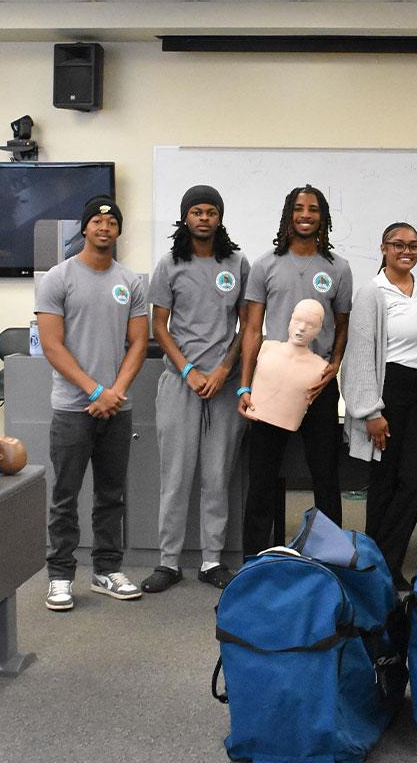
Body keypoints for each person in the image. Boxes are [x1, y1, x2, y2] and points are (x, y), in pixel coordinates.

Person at [35, 195, 148, 611]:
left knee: (112, 494)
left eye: (112, 222)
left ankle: (106, 570)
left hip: (117, 408)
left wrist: (113, 392)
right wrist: (96, 391)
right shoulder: (58, 278)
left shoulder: (131, 281)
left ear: (118, 231)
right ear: (85, 228)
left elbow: (138, 342)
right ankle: (61, 576)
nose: (105, 227)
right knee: (65, 496)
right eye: (97, 221)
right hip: (72, 408)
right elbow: (51, 345)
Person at [141, 185, 249, 594]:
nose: (204, 218)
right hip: (180, 383)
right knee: (176, 476)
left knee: (217, 476)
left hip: (223, 384)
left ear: (220, 217)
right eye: (196, 212)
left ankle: (212, 560)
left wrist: (224, 370)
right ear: (185, 217)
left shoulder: (238, 263)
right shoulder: (169, 264)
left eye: (211, 212)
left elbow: (246, 327)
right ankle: (168, 562)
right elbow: (159, 326)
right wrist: (188, 370)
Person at [238, 185, 352, 556]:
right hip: (271, 386)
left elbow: (342, 327)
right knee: (263, 477)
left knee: (325, 475)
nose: (306, 214)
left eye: (313, 209)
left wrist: (333, 367)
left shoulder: (338, 268)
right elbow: (252, 330)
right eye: (299, 208)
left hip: (317, 386)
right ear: (289, 214)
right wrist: (244, 387)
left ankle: (329, 555)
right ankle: (255, 557)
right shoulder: (265, 265)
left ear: (323, 216)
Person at [342, 222, 417, 591]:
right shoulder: (373, 292)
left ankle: (383, 563)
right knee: (385, 483)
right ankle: (382, 570)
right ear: (384, 248)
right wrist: (371, 411)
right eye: (398, 245)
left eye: (414, 245)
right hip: (386, 395)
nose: (407, 251)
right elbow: (358, 355)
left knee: (416, 480)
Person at [244, 299, 328, 431]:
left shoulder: (320, 367)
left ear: (318, 330)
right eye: (297, 321)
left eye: (310, 325)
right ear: (290, 321)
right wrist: (244, 389)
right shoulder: (267, 348)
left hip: (291, 422)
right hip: (258, 417)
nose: (301, 328)